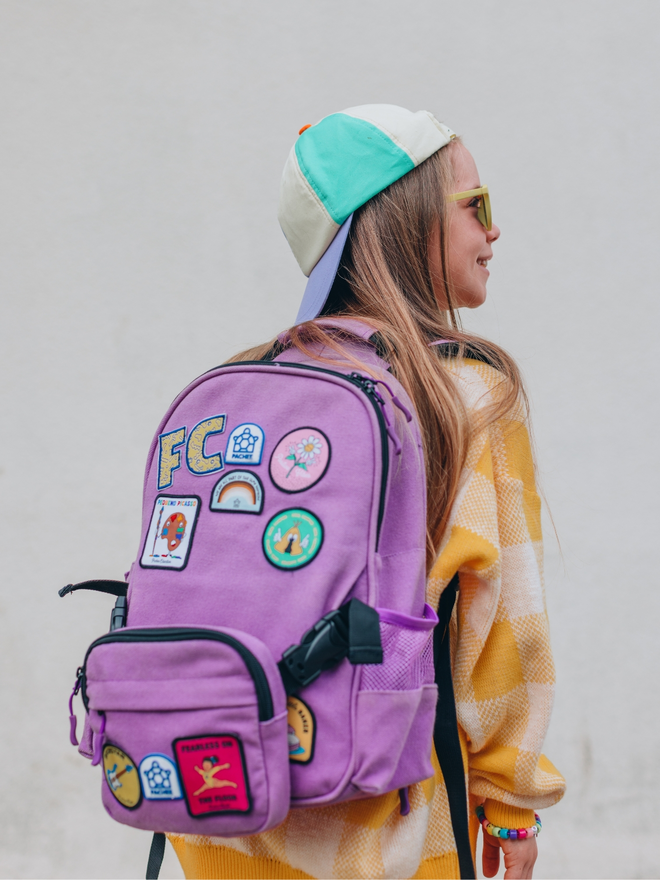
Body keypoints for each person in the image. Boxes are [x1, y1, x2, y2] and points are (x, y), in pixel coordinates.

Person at [168, 104, 565, 880]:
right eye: (476, 206)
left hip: (220, 808)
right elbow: (504, 639)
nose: (494, 231)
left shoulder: (249, 385)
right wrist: (513, 808)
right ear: (410, 220)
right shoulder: (469, 395)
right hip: (384, 830)